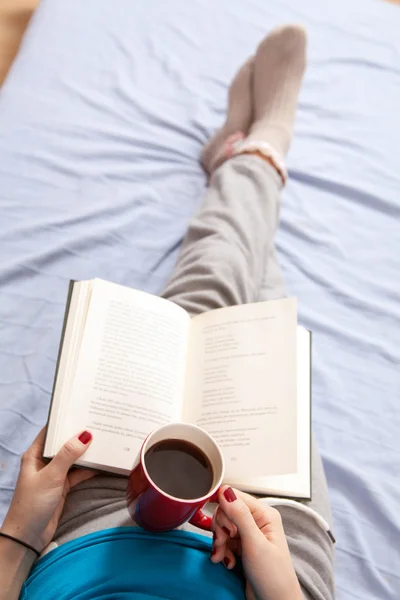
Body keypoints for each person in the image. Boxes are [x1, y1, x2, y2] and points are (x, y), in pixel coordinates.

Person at [0, 25, 335, 600]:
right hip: (262, 566)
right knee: (261, 339)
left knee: (207, 308)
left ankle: (249, 160)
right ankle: (255, 159)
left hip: (88, 541)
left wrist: (18, 537)